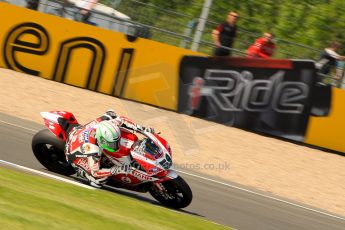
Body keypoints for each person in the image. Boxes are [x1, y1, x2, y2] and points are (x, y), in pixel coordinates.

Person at [65, 109, 154, 188]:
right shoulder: (93, 149)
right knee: (98, 181)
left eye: (116, 142)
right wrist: (116, 170)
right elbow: (95, 172)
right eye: (112, 144)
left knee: (111, 115)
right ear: (102, 140)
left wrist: (142, 129)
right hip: (73, 151)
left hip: (84, 130)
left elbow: (122, 119)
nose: (115, 146)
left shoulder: (110, 124)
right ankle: (93, 177)